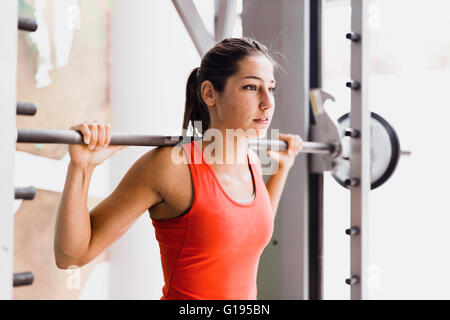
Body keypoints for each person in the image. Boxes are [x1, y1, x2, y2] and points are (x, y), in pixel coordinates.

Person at [54, 37, 304, 300]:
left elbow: (248, 230)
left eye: (271, 88)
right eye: (251, 87)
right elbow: (71, 256)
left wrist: (282, 169)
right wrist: (82, 168)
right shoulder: (171, 167)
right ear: (209, 93)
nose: (267, 102)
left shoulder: (251, 163)